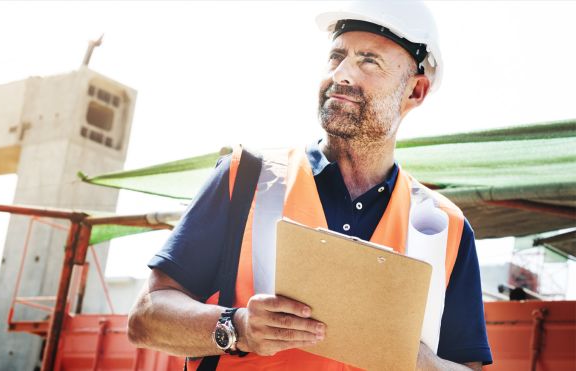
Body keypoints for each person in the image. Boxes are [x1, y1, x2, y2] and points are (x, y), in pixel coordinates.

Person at [127, 2, 492, 370]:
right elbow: (146, 318)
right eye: (336, 56)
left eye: (369, 60)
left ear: (416, 91)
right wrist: (237, 327)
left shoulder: (447, 229)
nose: (342, 75)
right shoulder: (246, 178)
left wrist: (420, 364)